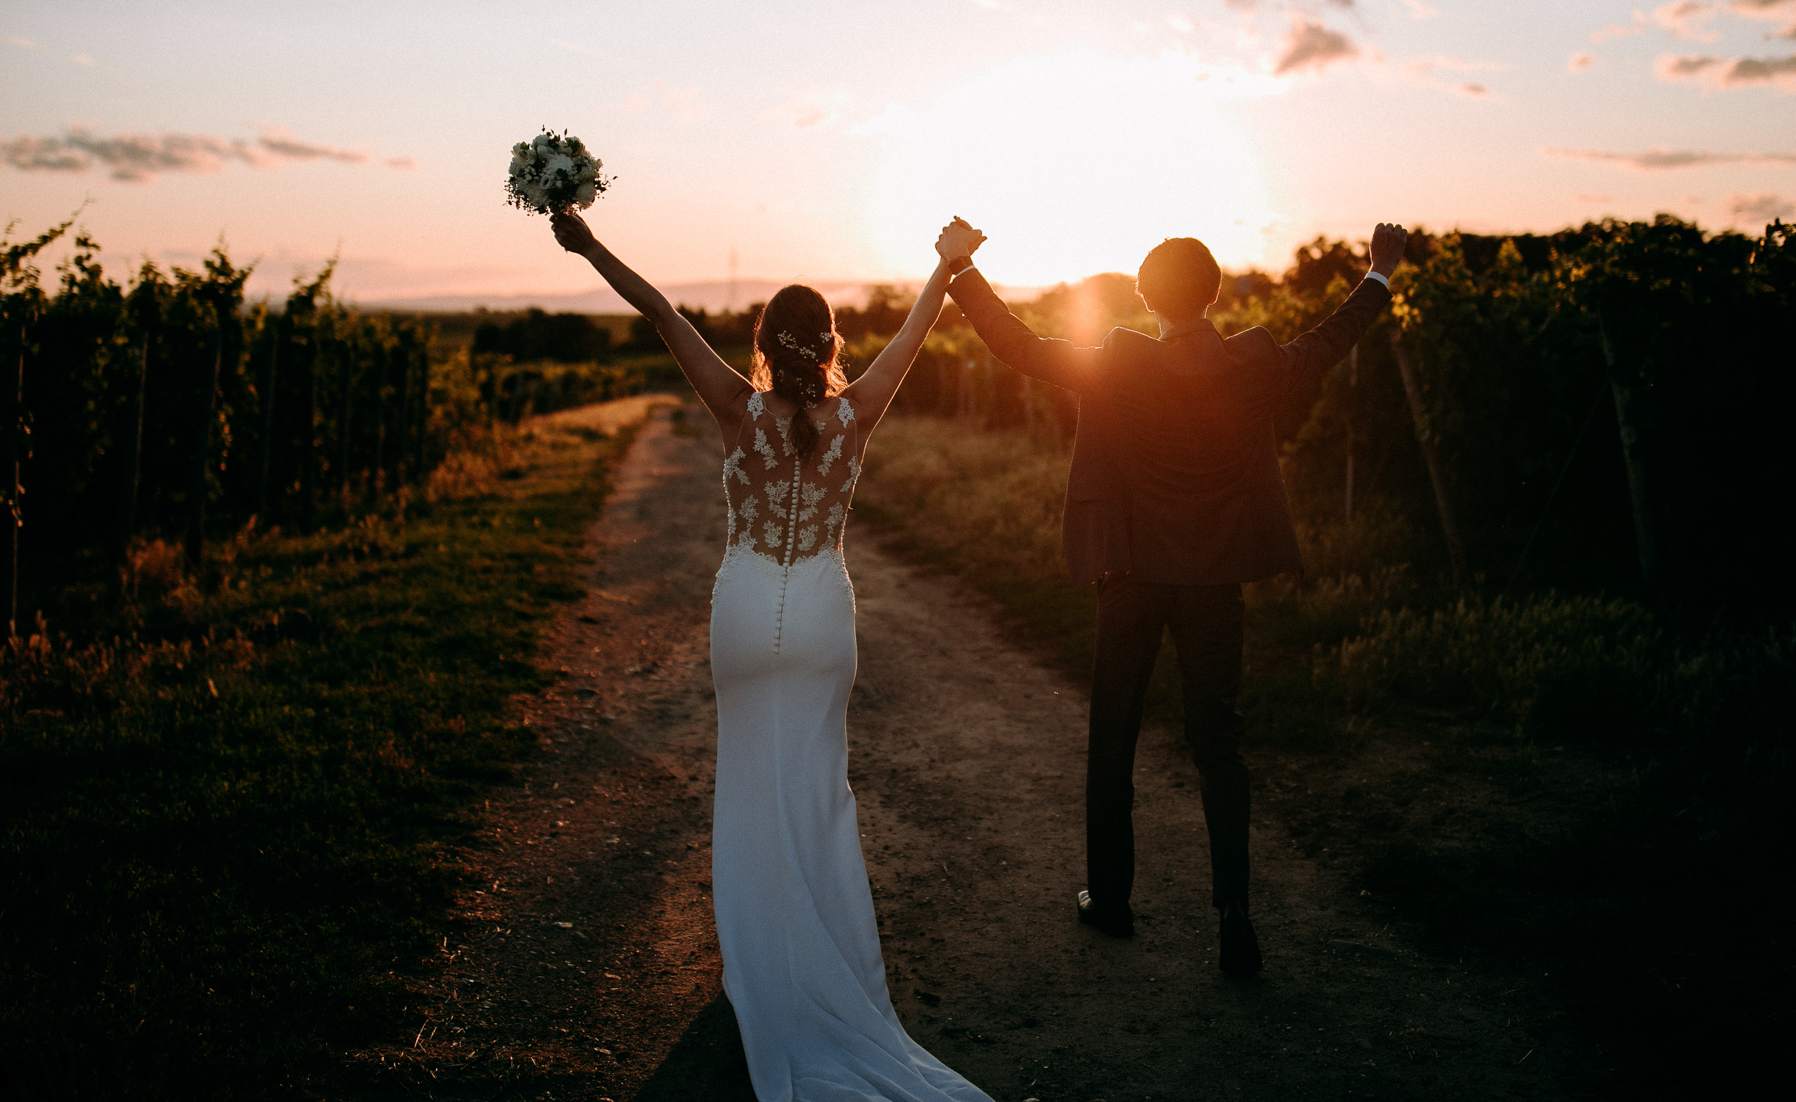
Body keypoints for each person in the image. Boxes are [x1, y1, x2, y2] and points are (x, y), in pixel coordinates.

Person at [551, 208, 993, 1102]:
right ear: (828, 343)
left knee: (751, 790)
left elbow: (660, 312)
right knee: (818, 794)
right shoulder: (857, 414)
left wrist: (589, 242)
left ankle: (754, 971)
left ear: (762, 342)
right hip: (823, 616)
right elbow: (918, 328)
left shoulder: (735, 408)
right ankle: (821, 966)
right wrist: (946, 265)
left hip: (748, 613)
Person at [940, 222, 1408, 977]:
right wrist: (1379, 271)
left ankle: (1112, 900)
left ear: (1145, 297)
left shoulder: (1119, 361)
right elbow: (1332, 340)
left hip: (1129, 577)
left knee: (1113, 737)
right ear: (1216, 293)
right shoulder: (1254, 361)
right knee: (1218, 743)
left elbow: (1019, 345)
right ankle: (1233, 909)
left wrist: (961, 268)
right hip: (1215, 582)